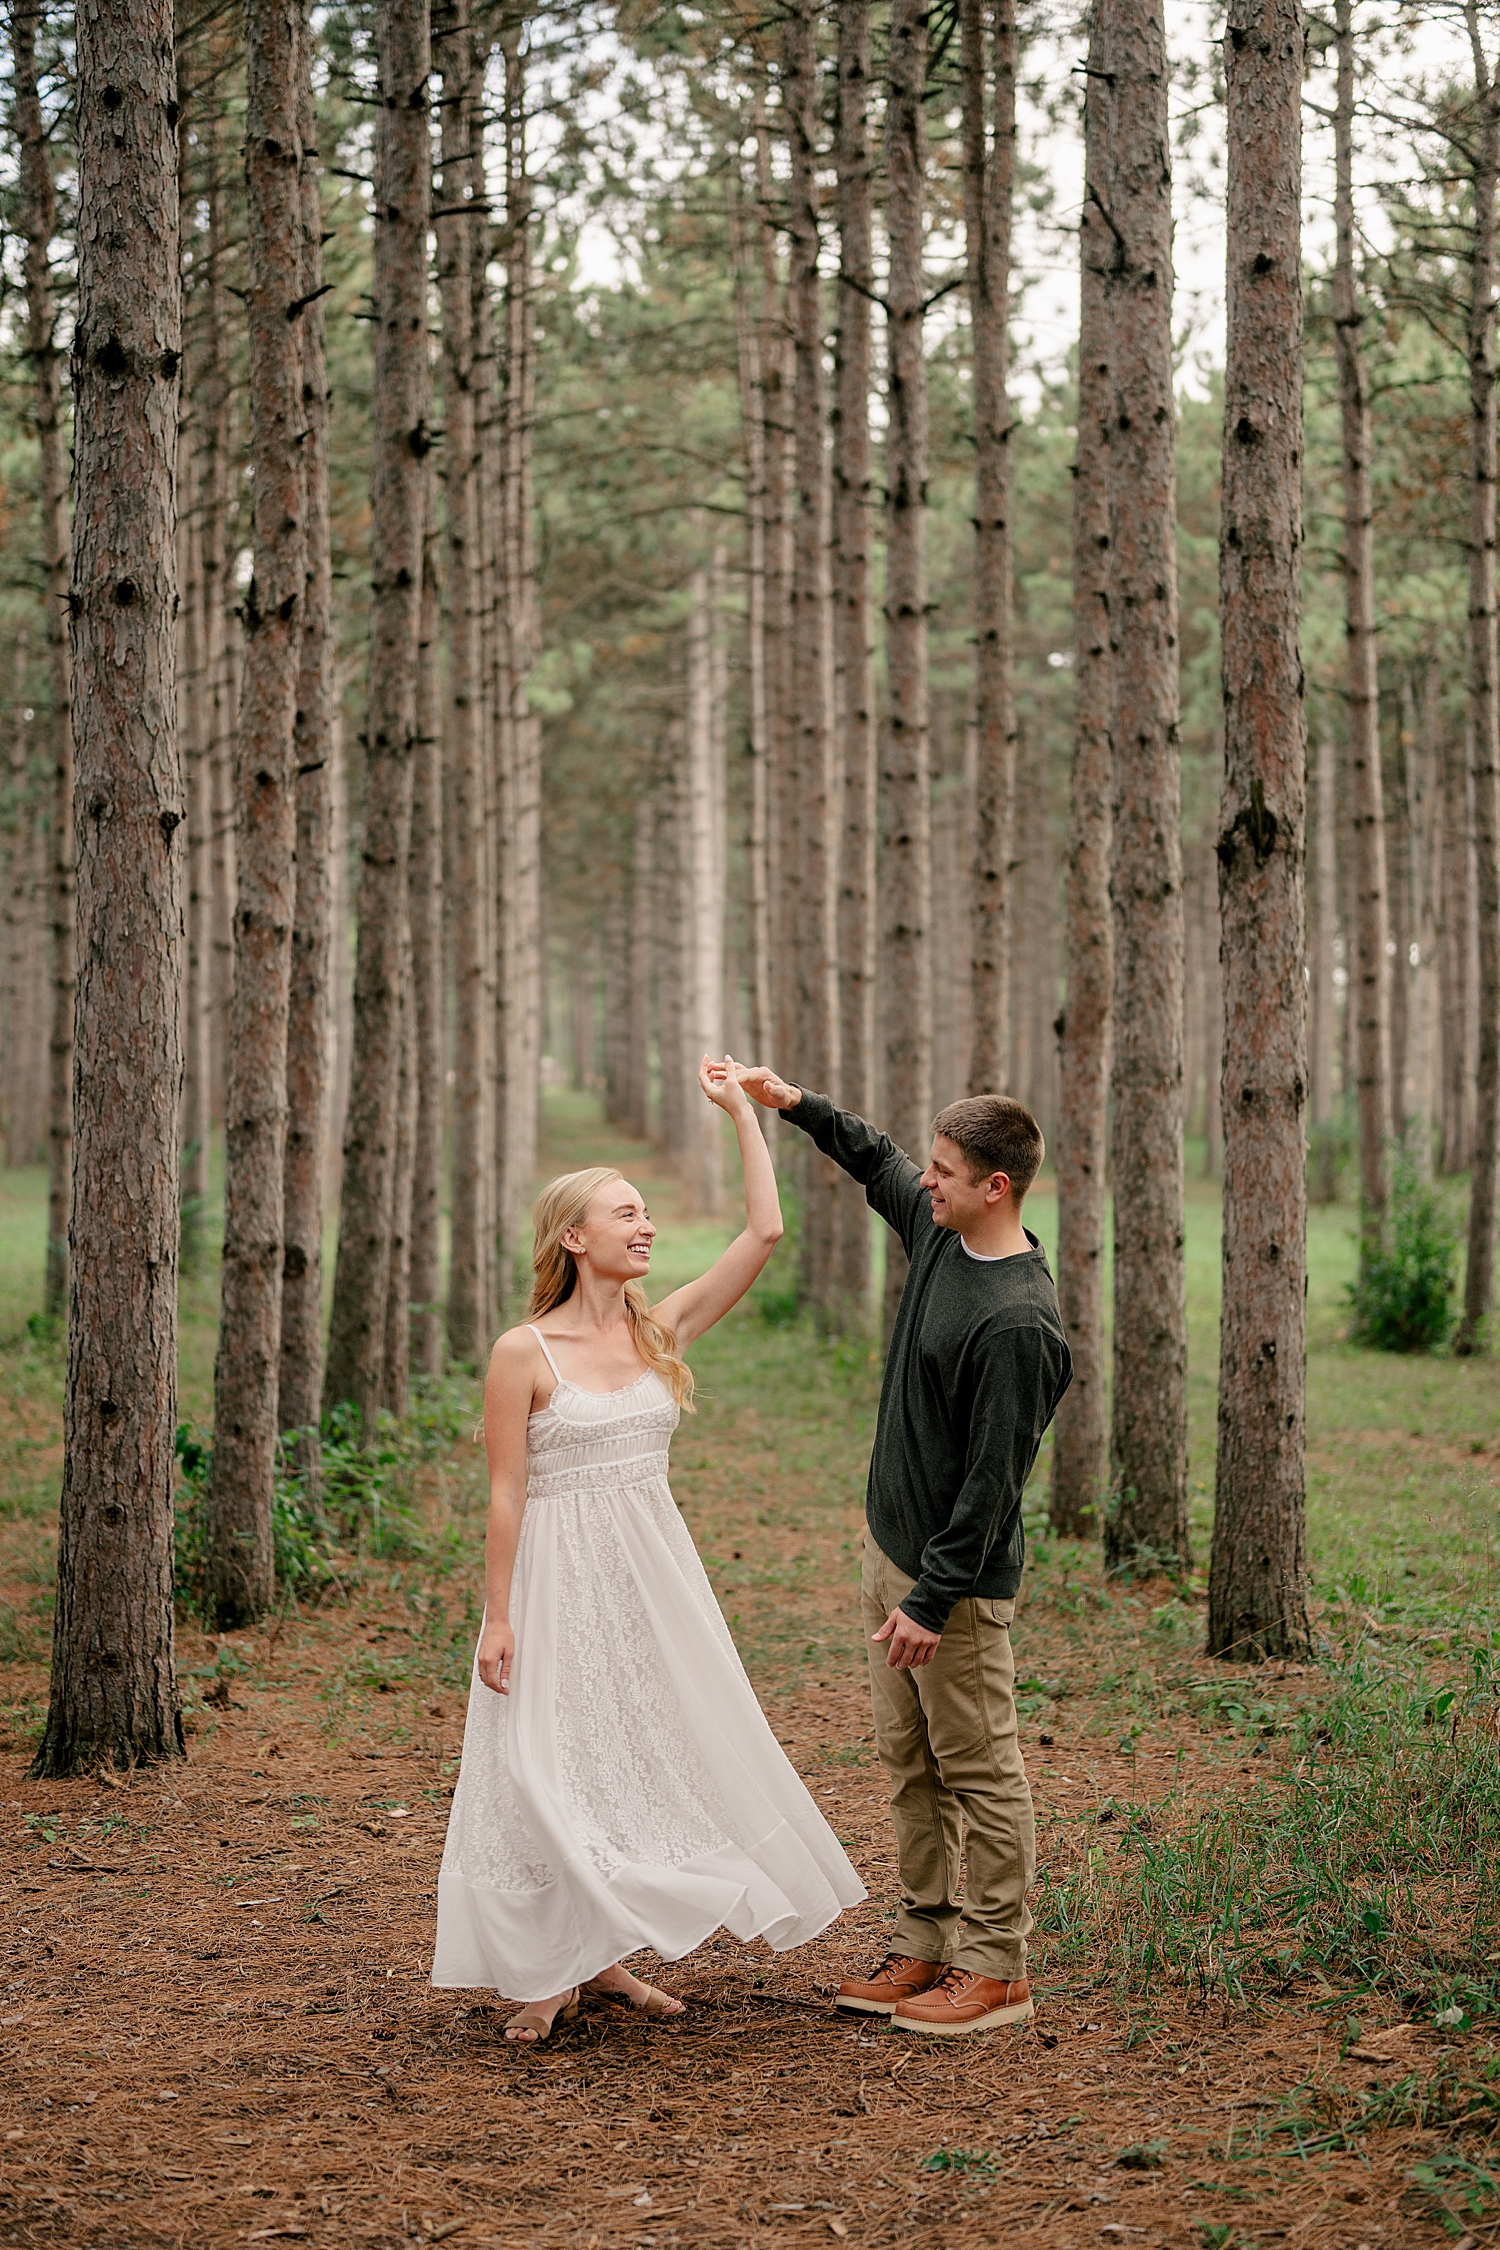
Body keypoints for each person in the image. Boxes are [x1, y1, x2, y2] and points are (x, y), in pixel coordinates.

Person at [432, 1055, 865, 2042]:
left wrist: (740, 1115)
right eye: (625, 1213)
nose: (646, 1227)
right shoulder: (521, 1353)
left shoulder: (659, 1330)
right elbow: (504, 1491)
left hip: (651, 1580)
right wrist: (498, 1617)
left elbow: (764, 1232)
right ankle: (554, 1969)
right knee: (547, 1762)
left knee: (630, 1753)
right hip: (551, 1579)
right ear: (573, 1239)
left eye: (646, 1212)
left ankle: (605, 1954)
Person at [734, 1065, 1072, 2039]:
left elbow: (993, 1486)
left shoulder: (1018, 1321)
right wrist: (794, 1105)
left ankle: (996, 1966)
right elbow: (875, 1159)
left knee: (980, 1767)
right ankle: (926, 1937)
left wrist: (930, 1600)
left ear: (994, 1186)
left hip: (950, 1595)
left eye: (945, 1169)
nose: (924, 1180)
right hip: (890, 1556)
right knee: (909, 1762)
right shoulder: (939, 1230)